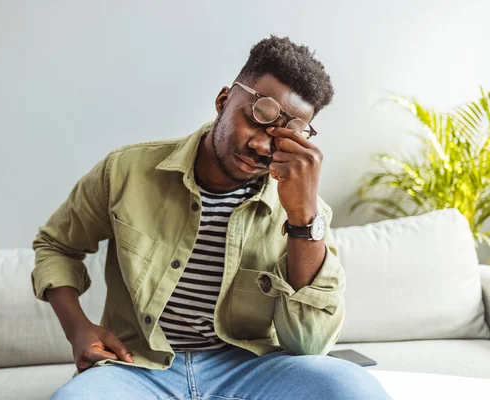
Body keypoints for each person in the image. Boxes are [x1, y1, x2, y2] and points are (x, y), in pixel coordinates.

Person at [31, 35, 392, 399]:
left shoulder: (306, 213)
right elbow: (56, 245)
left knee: (353, 389)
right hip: (137, 367)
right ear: (223, 101)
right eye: (258, 117)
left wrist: (302, 217)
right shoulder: (126, 171)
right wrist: (78, 328)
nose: (262, 146)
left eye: (284, 136)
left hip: (249, 368)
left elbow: (309, 344)